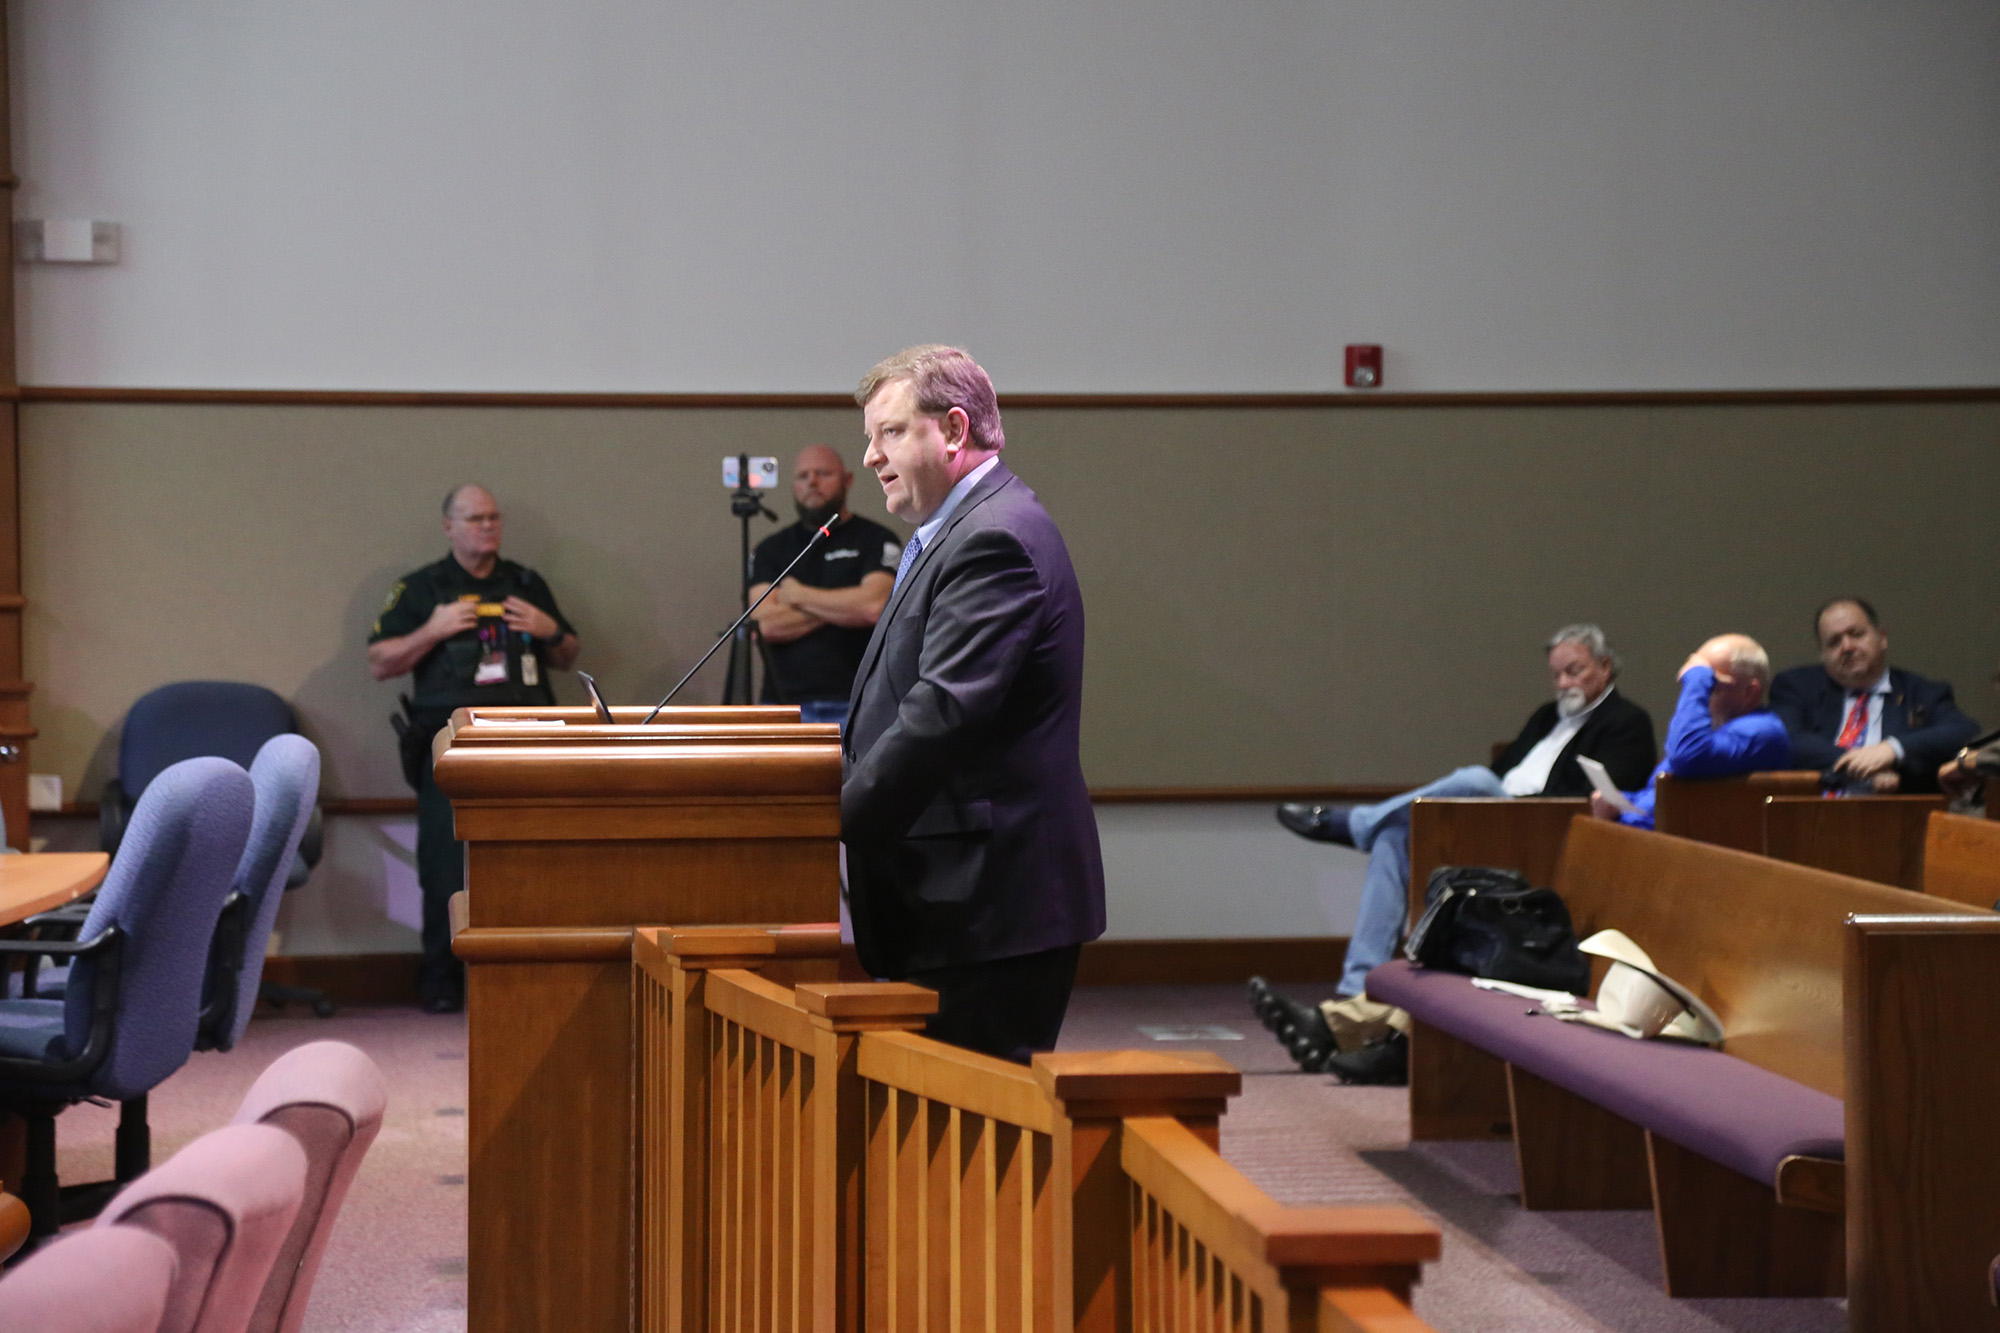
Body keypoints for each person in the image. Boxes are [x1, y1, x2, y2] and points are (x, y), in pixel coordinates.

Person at [840, 345, 1105, 1063]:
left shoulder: (994, 538)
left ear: (954, 431)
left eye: (889, 433)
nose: (870, 457)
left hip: (990, 907)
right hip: (959, 903)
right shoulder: (956, 533)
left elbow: (939, 716)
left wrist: (826, 820)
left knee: (971, 1149)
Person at [1273, 625, 1656, 1002]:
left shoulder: (1626, 722)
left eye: (1573, 671)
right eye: (1556, 675)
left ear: (1604, 667)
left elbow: (1604, 797)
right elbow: (1506, 768)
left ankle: (1354, 824)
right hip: (1499, 818)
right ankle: (1357, 985)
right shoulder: (1547, 716)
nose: (1562, 684)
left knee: (1474, 778)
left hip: (1541, 828)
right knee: (1393, 840)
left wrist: (1515, 800)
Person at [367, 484, 579, 1013]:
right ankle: (441, 979)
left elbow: (568, 654)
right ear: (449, 527)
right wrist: (431, 631)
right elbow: (379, 661)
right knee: (444, 863)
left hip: (528, 739)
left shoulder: (525, 583)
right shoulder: (421, 588)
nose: (487, 526)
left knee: (535, 860)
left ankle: (530, 974)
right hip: (451, 746)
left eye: (493, 517)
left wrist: (550, 630)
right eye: (474, 518)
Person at [748, 444, 900, 725]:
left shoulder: (875, 539)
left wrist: (797, 595)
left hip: (858, 701)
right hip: (783, 706)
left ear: (848, 480)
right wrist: (844, 605)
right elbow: (764, 625)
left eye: (823, 473)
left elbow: (873, 607)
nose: (812, 482)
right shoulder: (771, 549)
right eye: (803, 476)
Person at [1769, 597, 1979, 795]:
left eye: (1856, 634)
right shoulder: (1797, 686)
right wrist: (1862, 766)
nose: (1847, 647)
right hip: (1815, 815)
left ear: (1882, 638)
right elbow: (1784, 737)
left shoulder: (1922, 691)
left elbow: (1962, 732)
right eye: (1834, 642)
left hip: (1900, 813)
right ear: (1823, 654)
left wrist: (1892, 750)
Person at [1590, 633, 1790, 829]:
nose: (1701, 696)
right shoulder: (1715, 730)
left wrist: (1697, 677)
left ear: (1750, 692)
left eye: (1711, 685)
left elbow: (1687, 754)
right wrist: (1622, 801)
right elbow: (1661, 792)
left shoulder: (1763, 732)